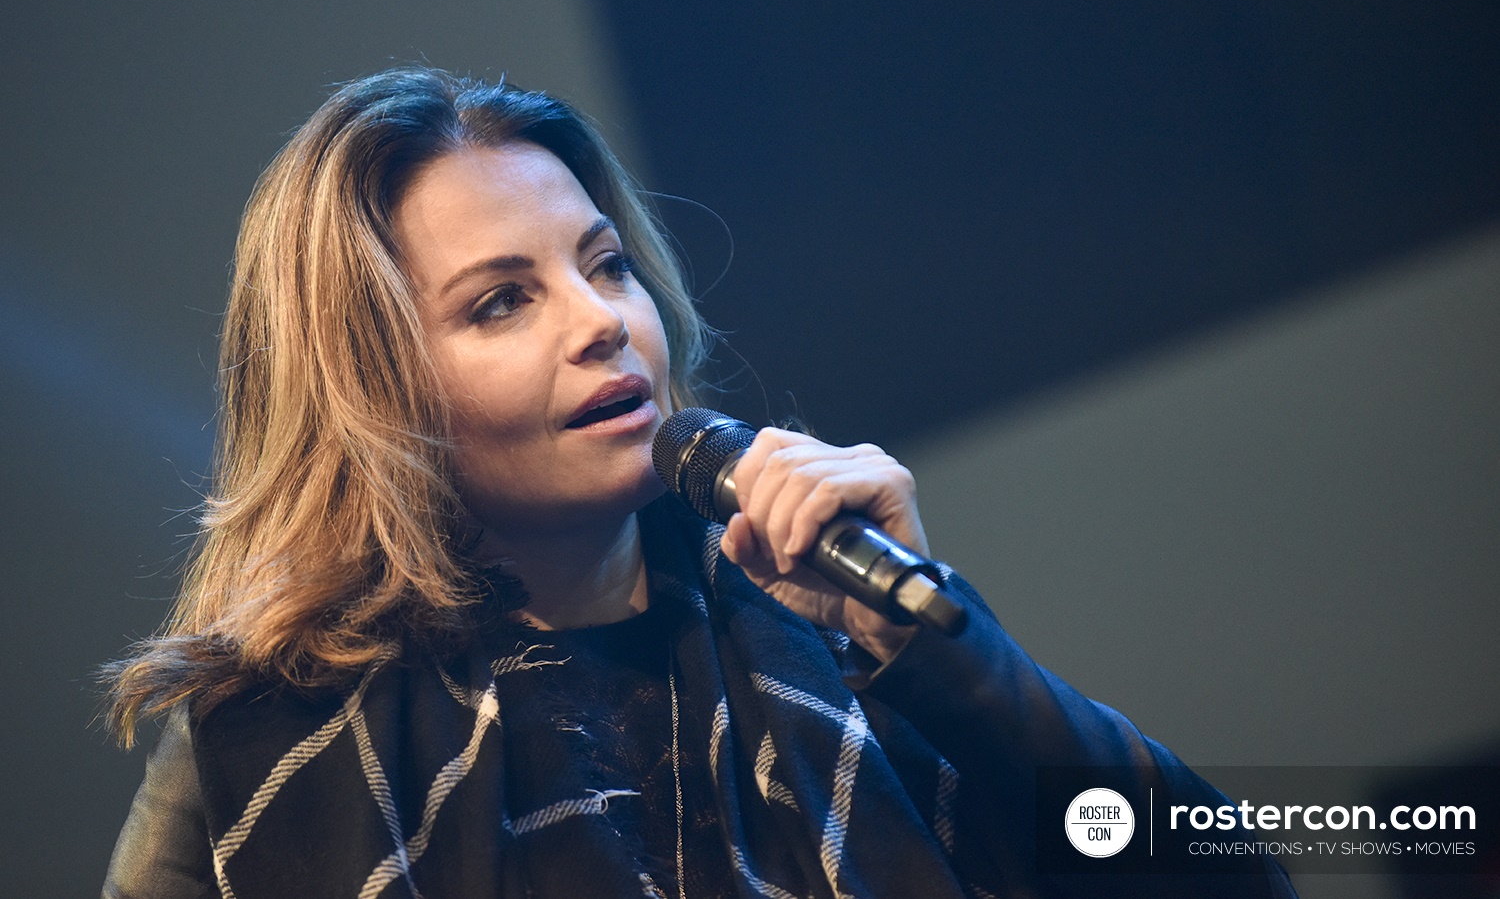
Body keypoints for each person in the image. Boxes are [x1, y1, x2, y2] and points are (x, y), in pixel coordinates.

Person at [101, 66, 1298, 899]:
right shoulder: (263, 738)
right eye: (502, 302)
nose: (602, 322)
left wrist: (934, 648)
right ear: (373, 390)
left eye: (607, 265)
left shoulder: (832, 622)